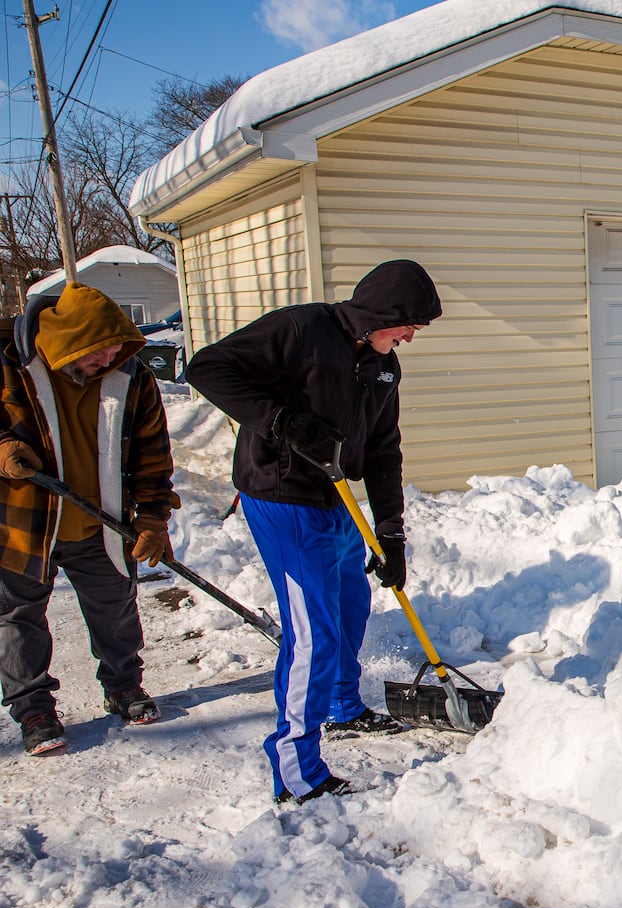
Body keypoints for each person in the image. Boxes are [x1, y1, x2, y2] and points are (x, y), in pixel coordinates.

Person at [186, 260, 441, 804]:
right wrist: (282, 421)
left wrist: (390, 533)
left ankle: (343, 706)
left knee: (351, 605)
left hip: (339, 501)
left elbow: (383, 450)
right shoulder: (300, 330)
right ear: (381, 313)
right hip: (283, 500)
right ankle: (296, 768)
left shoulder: (384, 367)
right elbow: (207, 367)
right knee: (312, 632)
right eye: (408, 324)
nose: (410, 336)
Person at [0, 282, 179, 757]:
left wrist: (153, 518)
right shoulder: (8, 367)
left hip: (99, 521)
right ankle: (33, 707)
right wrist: (2, 448)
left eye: (118, 352)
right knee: (18, 618)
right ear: (68, 345)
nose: (110, 363)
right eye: (101, 354)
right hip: (22, 524)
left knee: (115, 606)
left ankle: (123, 685)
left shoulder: (131, 376)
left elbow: (152, 455)